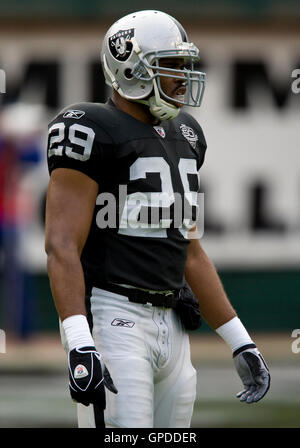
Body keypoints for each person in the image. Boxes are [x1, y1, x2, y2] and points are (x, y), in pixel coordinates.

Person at [45, 10, 270, 428]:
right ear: (131, 65)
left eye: (185, 65)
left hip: (175, 327)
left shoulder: (186, 134)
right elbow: (61, 244)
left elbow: (191, 251)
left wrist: (240, 341)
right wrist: (78, 343)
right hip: (116, 318)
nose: (183, 77)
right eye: (172, 64)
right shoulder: (90, 128)